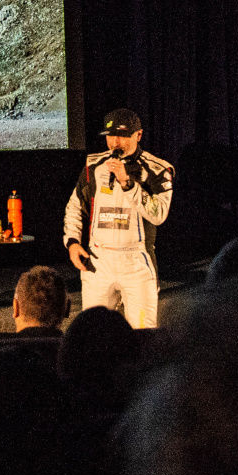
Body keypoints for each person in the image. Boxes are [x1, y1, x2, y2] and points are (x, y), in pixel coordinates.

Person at [63, 108, 174, 329]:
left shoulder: (158, 169)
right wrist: (72, 242)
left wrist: (127, 182)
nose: (116, 142)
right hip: (98, 261)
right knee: (93, 334)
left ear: (138, 135)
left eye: (123, 135)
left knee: (143, 333)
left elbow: (159, 214)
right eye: (110, 136)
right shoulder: (93, 165)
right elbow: (75, 206)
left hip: (136, 262)